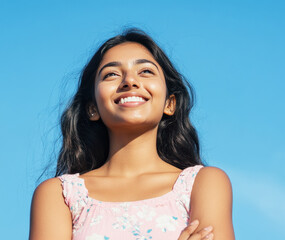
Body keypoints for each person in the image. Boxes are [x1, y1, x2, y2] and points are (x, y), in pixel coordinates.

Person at [30, 28, 235, 240]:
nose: (130, 81)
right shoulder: (60, 195)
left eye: (145, 71)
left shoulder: (203, 184)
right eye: (111, 74)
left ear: (169, 103)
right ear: (92, 108)